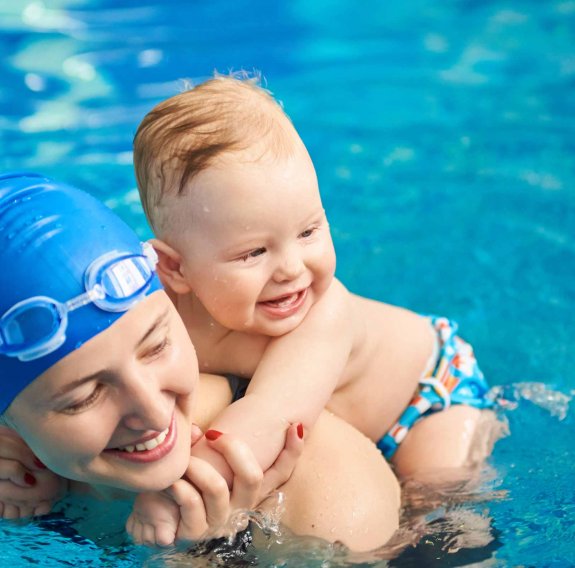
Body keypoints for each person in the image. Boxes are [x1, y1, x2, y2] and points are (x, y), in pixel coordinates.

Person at [131, 74, 504, 490]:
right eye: (254, 253)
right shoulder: (152, 305)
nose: (292, 267)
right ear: (173, 268)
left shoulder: (324, 316)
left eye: (308, 232)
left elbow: (265, 423)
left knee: (440, 514)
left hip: (428, 399)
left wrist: (174, 496)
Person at [0, 172, 401, 552]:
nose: (155, 412)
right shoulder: (23, 478)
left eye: (157, 347)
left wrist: (212, 552)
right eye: (85, 397)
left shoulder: (329, 511)